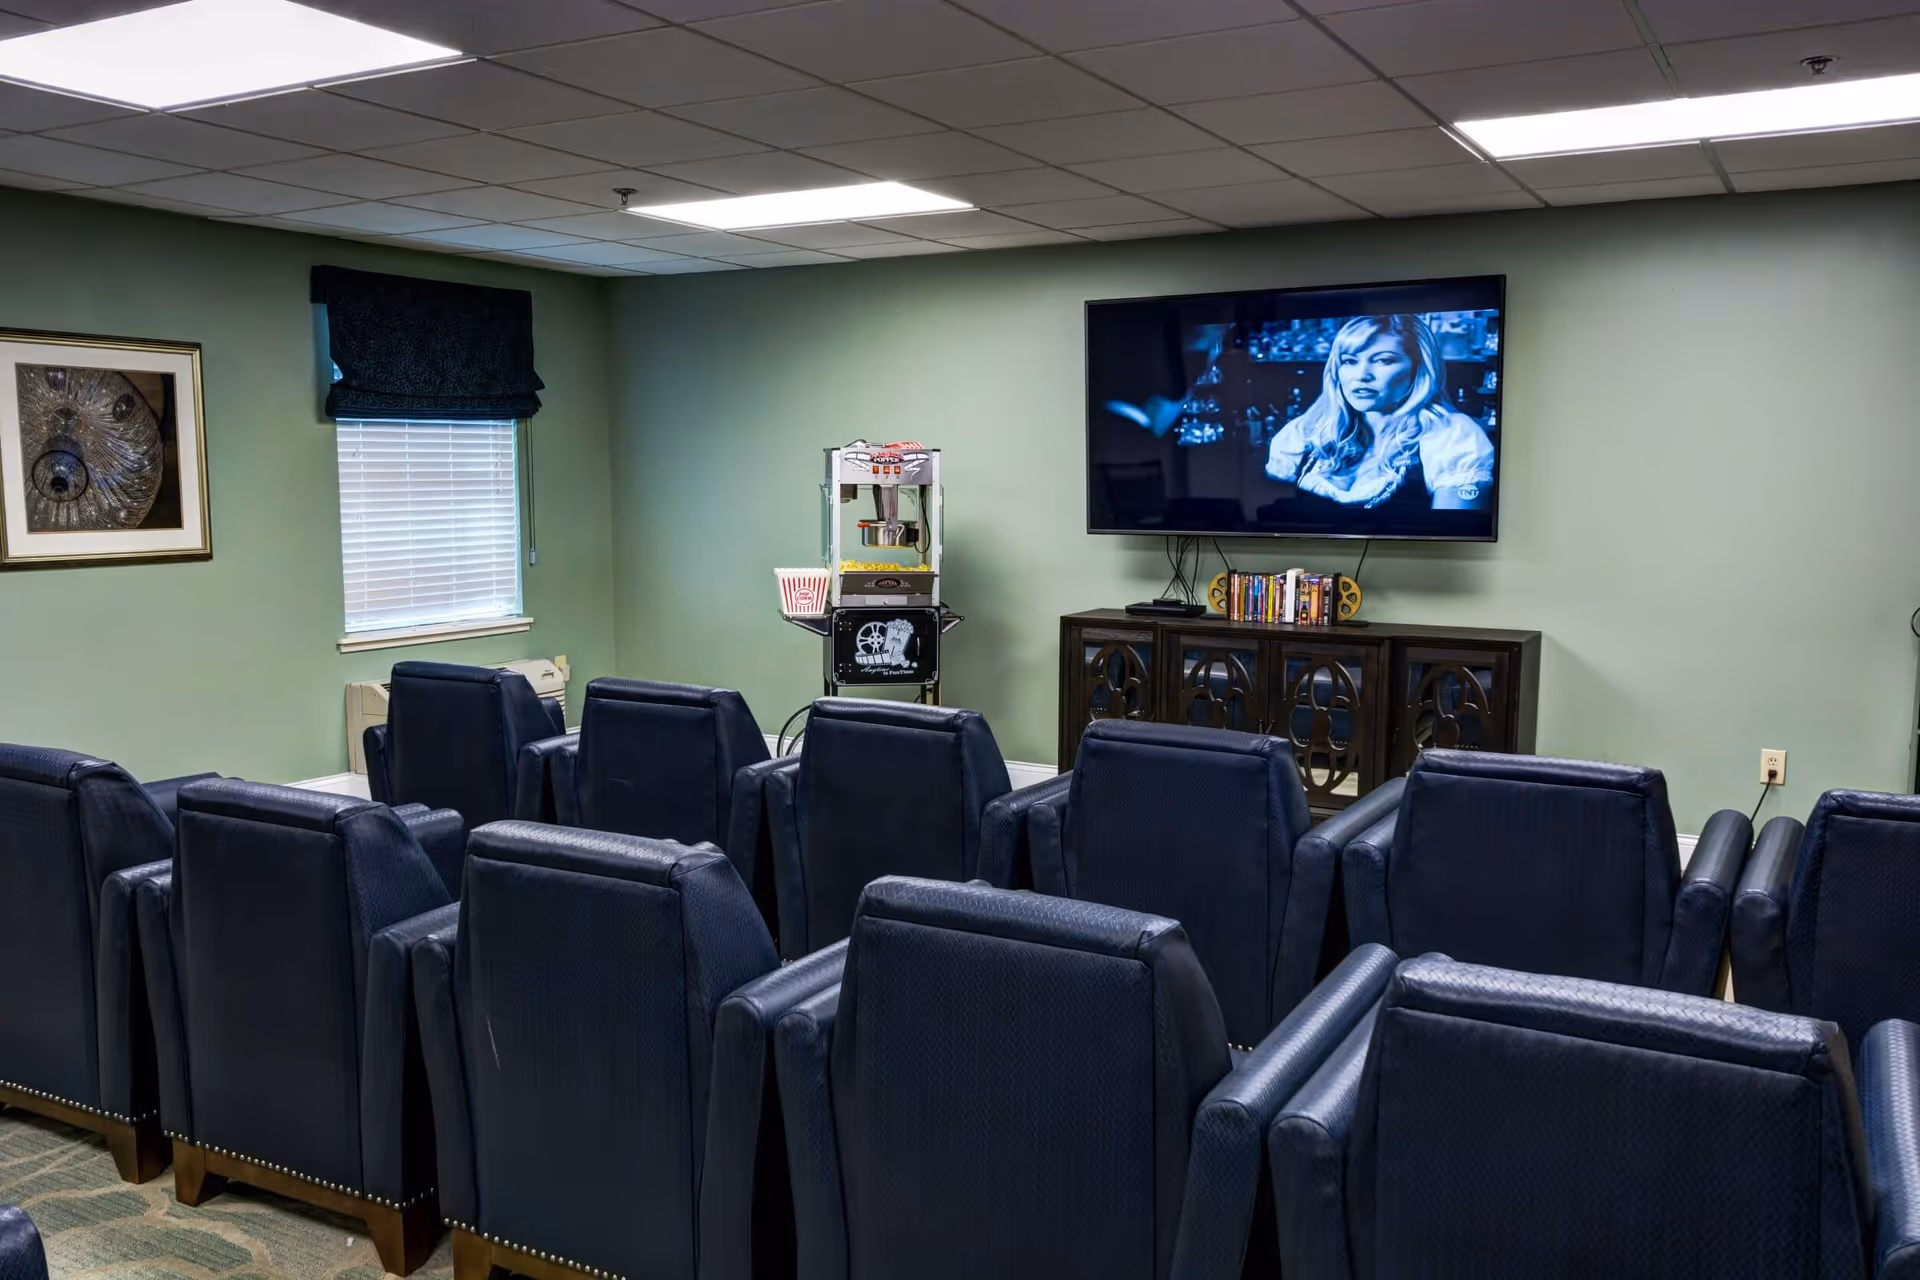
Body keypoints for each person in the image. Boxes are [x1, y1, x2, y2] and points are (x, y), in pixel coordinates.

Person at [1264, 314, 1494, 510]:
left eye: (1383, 361)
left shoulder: (1452, 435)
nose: (1362, 374)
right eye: (1350, 361)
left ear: (1418, 369)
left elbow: (1448, 538)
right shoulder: (1304, 432)